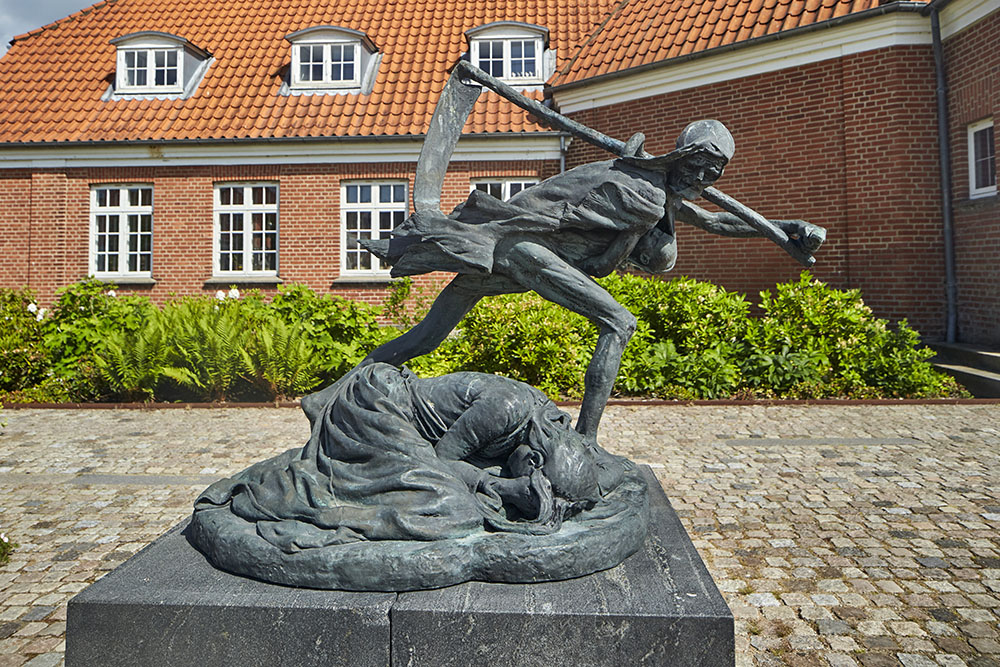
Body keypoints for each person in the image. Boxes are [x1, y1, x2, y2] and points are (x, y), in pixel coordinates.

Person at [361, 120, 825, 443]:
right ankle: (586, 439)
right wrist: (636, 236)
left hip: (515, 247)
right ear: (682, 157)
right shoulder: (644, 199)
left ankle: (341, 391)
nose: (704, 178)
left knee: (429, 333)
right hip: (523, 250)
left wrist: (789, 229)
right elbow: (602, 267)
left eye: (714, 172)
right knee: (619, 322)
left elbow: (717, 222)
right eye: (699, 166)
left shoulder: (653, 188)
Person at [195, 363, 625, 554]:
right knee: (448, 505)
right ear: (532, 463)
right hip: (376, 401)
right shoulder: (507, 410)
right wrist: (500, 487)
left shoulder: (541, 421)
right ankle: (285, 490)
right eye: (531, 485)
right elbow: (441, 461)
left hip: (393, 418)